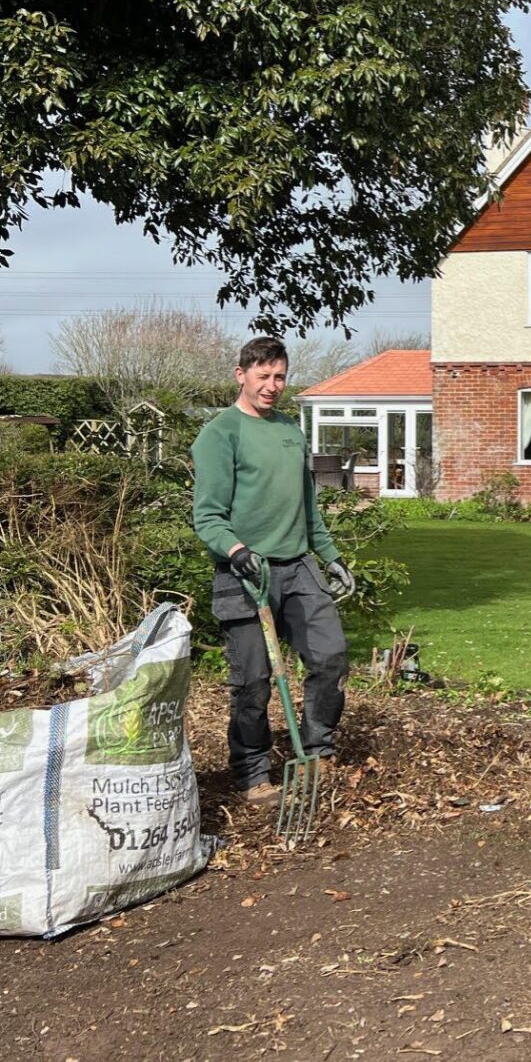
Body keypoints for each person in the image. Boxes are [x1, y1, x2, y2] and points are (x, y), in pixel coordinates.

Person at [191, 335, 355, 802]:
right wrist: (237, 550)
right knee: (254, 681)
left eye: (279, 376)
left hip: (299, 566)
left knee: (330, 657)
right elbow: (207, 515)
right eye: (262, 376)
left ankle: (317, 749)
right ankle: (251, 773)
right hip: (244, 571)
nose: (272, 385)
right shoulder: (221, 433)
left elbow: (307, 507)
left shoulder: (289, 430)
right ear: (240, 375)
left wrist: (332, 556)